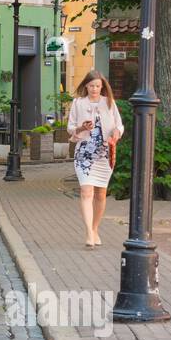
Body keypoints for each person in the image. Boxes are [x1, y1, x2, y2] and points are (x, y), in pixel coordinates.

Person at [66, 69, 124, 248]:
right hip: (84, 152)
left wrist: (116, 133)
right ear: (86, 86)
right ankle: (89, 233)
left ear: (102, 86)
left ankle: (95, 228)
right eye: (91, 86)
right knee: (86, 191)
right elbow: (70, 128)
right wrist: (82, 128)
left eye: (98, 86)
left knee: (100, 193)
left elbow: (119, 126)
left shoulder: (109, 102)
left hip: (104, 154)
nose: (94, 89)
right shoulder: (78, 103)